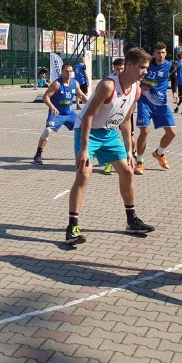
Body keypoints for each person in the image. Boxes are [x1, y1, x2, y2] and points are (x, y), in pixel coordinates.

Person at [65, 47, 155, 245]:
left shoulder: (137, 90)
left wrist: (129, 151)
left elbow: (126, 120)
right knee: (84, 174)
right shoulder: (108, 86)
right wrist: (84, 149)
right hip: (88, 131)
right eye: (142, 67)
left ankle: (131, 221)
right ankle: (72, 227)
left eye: (146, 68)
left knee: (127, 172)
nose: (145, 72)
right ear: (128, 66)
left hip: (110, 133)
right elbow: (88, 115)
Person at [134, 42, 177, 174]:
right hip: (145, 101)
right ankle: (139, 162)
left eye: (163, 52)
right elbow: (135, 76)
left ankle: (159, 153)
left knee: (172, 133)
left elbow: (174, 79)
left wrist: (176, 92)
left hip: (161, 103)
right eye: (158, 52)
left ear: (166, 53)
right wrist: (139, 88)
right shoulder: (146, 63)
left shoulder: (170, 66)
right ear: (154, 53)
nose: (160, 55)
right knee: (145, 131)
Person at [33, 64, 87, 165]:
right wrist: (52, 107)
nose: (69, 73)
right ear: (62, 72)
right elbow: (46, 97)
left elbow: (81, 95)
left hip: (69, 113)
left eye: (71, 71)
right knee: (48, 130)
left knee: (86, 126)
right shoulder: (57, 84)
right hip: (56, 113)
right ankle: (38, 154)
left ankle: (89, 150)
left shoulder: (75, 83)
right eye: (67, 71)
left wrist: (91, 104)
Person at [103, 57, 127, 175]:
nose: (120, 71)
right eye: (117, 69)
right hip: (112, 113)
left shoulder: (129, 80)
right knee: (111, 137)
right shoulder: (110, 81)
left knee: (128, 134)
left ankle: (132, 154)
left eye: (122, 68)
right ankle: (108, 163)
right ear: (114, 68)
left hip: (124, 112)